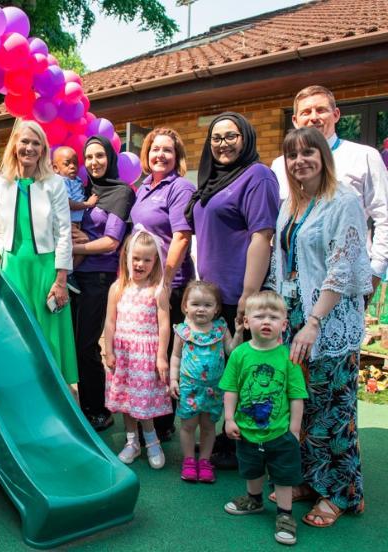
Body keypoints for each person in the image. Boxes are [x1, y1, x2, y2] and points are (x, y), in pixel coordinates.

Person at [269, 127, 372, 528]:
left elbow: (342, 266)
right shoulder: (292, 203)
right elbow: (283, 263)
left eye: (308, 152)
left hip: (326, 323)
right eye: (292, 155)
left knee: (334, 408)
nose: (300, 162)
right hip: (295, 317)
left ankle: (342, 494)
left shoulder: (342, 200)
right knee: (305, 406)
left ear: (324, 156)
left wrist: (313, 323)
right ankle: (312, 482)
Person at [186, 112, 279, 467]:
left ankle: (242, 448)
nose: (223, 144)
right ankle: (223, 442)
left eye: (231, 136)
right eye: (217, 137)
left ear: (247, 138)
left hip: (240, 294)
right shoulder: (212, 181)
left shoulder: (258, 176)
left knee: (242, 373)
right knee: (223, 371)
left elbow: (262, 235)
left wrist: (247, 295)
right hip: (212, 295)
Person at [0, 120, 77, 386]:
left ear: (43, 149)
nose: (30, 148)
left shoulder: (54, 183)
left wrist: (61, 281)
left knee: (48, 338)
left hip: (46, 270)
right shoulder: (0, 184)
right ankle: (23, 390)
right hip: (12, 269)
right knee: (17, 335)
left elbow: (63, 233)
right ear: (15, 145)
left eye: (36, 143)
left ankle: (55, 396)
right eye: (25, 141)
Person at [270, 85, 388, 289]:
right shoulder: (281, 164)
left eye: (321, 110)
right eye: (305, 112)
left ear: (336, 115)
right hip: (291, 281)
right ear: (295, 120)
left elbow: (384, 216)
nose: (313, 117)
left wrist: (375, 271)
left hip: (343, 279)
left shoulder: (364, 156)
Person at [220, 291, 307, 547]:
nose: (266, 321)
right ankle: (254, 500)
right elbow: (231, 389)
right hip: (246, 430)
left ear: (284, 323)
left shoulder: (288, 358)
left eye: (273, 316)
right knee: (251, 468)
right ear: (247, 322)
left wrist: (293, 430)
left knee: (282, 476)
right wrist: (229, 419)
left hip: (280, 433)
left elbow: (296, 397)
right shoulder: (239, 354)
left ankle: (285, 515)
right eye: (259, 316)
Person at [132, 128, 196, 441]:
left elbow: (182, 235)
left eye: (167, 150)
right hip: (145, 284)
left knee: (167, 352)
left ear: (177, 157)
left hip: (171, 284)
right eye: (155, 149)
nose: (160, 155)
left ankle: (164, 424)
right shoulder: (142, 188)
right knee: (149, 351)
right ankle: (150, 417)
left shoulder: (180, 187)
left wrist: (166, 281)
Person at [71, 135, 135, 431]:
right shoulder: (82, 191)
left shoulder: (120, 192)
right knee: (72, 344)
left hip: (99, 278)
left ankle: (98, 409)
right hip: (72, 276)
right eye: (89, 157)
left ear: (110, 158)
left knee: (87, 345)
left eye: (100, 156)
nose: (94, 162)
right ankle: (81, 404)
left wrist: (74, 248)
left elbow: (110, 242)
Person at [104, 229, 170, 468]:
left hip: (144, 354)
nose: (140, 264)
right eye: (136, 258)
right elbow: (110, 321)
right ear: (127, 258)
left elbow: (164, 326)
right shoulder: (117, 288)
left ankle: (152, 441)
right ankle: (132, 442)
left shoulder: (158, 290)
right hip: (122, 354)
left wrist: (161, 356)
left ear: (155, 262)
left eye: (147, 259)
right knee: (125, 400)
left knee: (143, 402)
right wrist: (109, 350)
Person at [169, 281, 242, 483]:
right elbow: (175, 357)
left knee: (209, 426)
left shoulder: (220, 329)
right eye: (195, 304)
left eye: (207, 305)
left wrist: (238, 333)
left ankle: (205, 461)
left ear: (217, 309)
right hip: (189, 388)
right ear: (185, 306)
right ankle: (189, 460)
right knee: (188, 425)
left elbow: (231, 351)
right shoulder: (182, 331)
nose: (201, 309)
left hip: (214, 389)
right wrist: (173, 379)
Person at [52, 145, 97, 277]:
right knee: (84, 244)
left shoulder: (76, 180)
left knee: (77, 247)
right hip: (66, 223)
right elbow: (68, 203)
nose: (72, 167)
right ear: (55, 168)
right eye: (67, 164)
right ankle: (68, 274)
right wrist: (87, 204)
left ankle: (68, 272)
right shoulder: (61, 181)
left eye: (75, 163)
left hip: (76, 223)